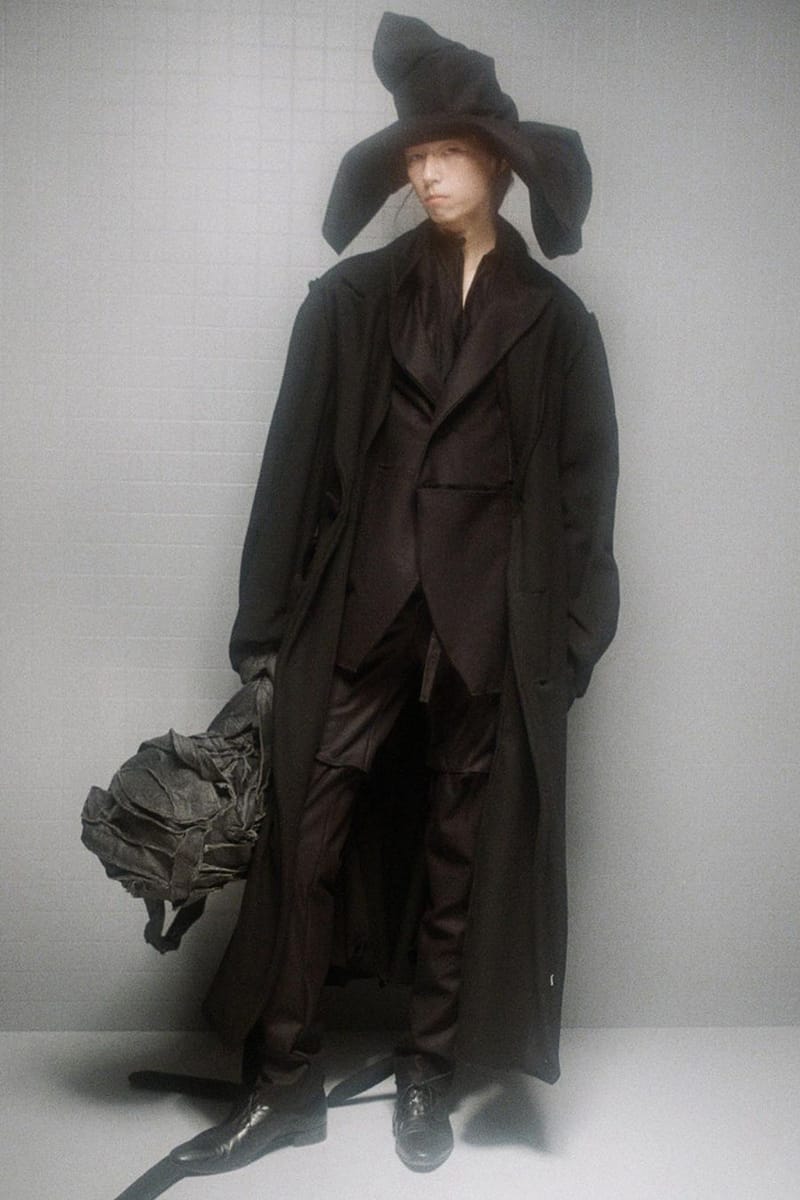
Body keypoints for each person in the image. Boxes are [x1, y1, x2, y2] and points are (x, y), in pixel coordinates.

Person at [172, 11, 619, 1177]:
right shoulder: (350, 301)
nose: (425, 172)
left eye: (447, 152)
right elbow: (286, 472)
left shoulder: (556, 326)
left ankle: (427, 1068)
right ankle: (282, 1081)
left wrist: (570, 644)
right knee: (303, 839)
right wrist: (262, 634)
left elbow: (586, 501)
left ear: (497, 167)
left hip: (490, 626)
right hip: (358, 605)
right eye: (413, 154)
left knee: (460, 854)